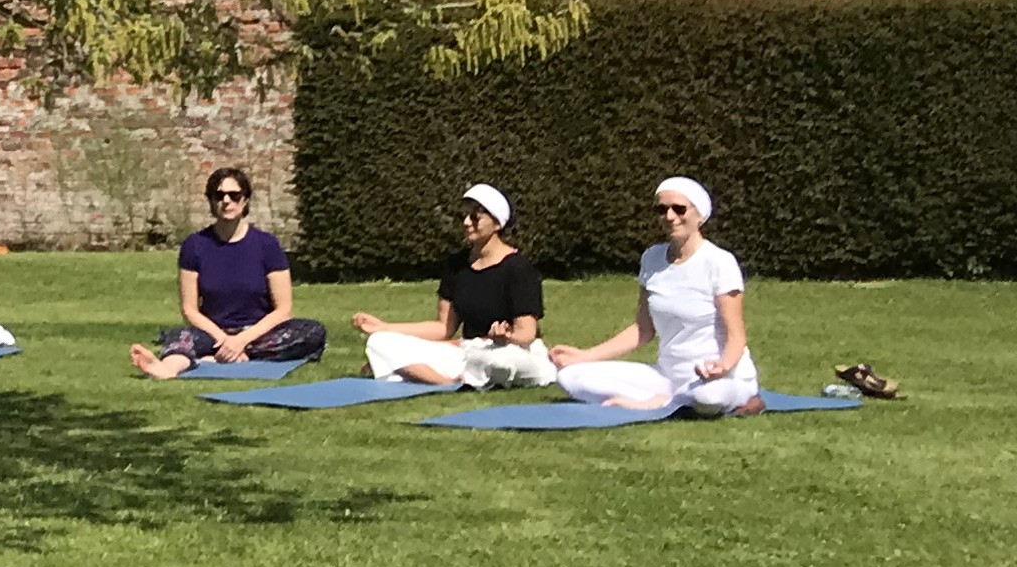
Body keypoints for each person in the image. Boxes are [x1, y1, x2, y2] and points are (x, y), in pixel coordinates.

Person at [552, 177, 763, 414]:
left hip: (716, 376)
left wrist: (722, 367)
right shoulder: (652, 258)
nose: (670, 216)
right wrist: (586, 356)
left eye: (679, 209)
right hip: (668, 376)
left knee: (708, 397)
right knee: (569, 376)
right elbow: (643, 330)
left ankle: (670, 402)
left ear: (699, 215)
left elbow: (736, 336)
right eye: (662, 210)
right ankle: (666, 400)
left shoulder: (719, 262)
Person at [127, 167, 326, 376]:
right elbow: (190, 309)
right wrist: (224, 340)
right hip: (212, 333)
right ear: (211, 202)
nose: (227, 201)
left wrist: (240, 341)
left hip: (258, 335)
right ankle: (166, 368)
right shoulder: (195, 246)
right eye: (219, 195)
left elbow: (283, 309)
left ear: (245, 200)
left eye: (234, 195)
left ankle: (222, 358)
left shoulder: (267, 245)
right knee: (182, 336)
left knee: (312, 332)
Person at [353, 182, 553, 386]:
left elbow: (526, 333)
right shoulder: (456, 265)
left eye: (475, 217)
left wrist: (506, 336)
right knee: (380, 342)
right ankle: (447, 382)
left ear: (497, 224)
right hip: (468, 352)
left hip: (512, 352)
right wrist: (384, 327)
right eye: (464, 216)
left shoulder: (519, 268)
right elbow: (443, 328)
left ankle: (406, 371)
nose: (466, 222)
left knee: (496, 361)